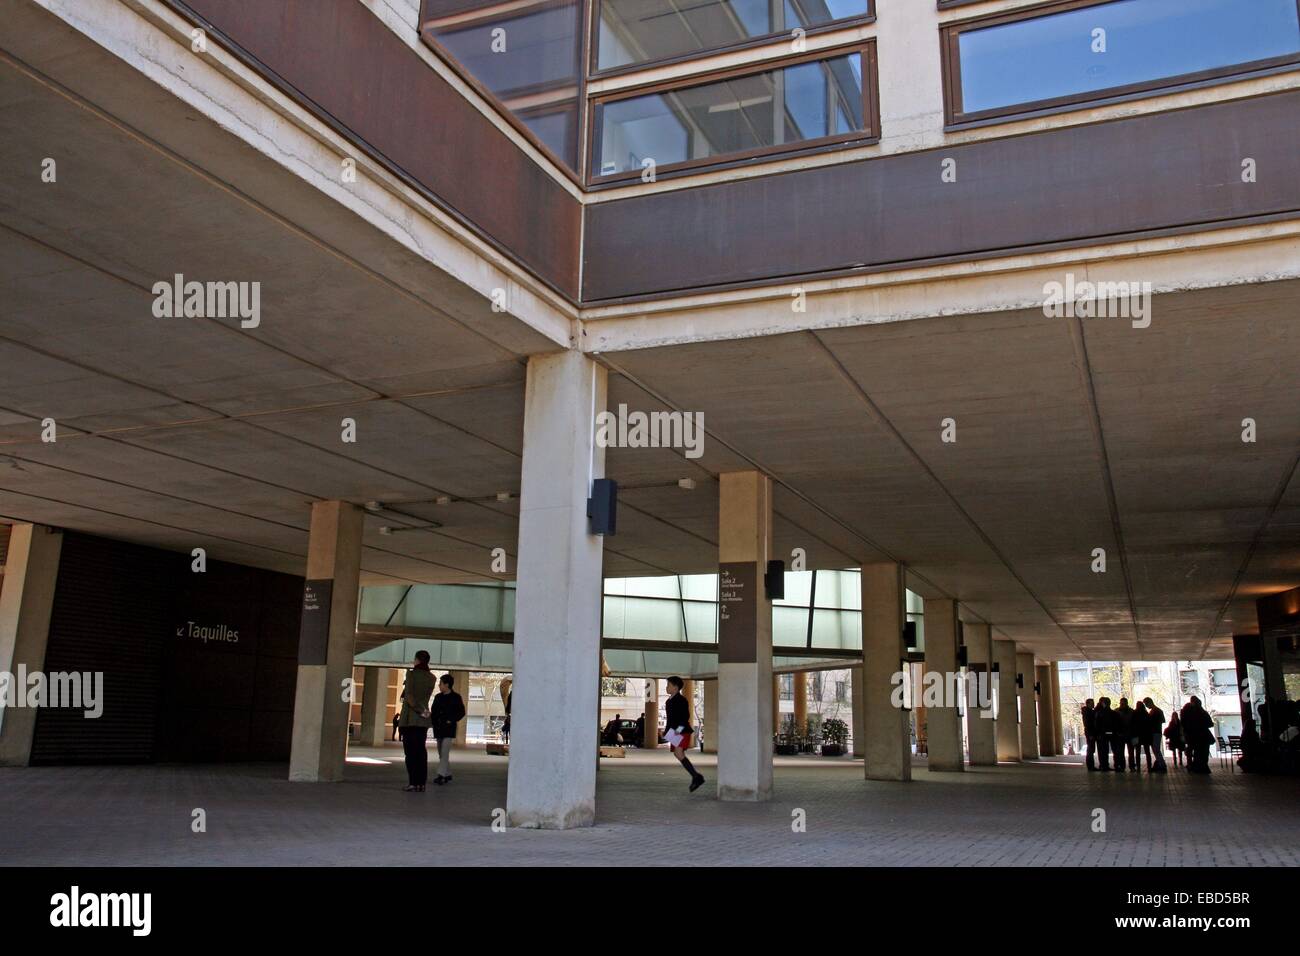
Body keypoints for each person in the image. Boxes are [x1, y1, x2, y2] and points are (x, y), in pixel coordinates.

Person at [399, 650, 435, 792]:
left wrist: (418, 710)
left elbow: (409, 696)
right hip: (423, 720)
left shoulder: (411, 674)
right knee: (421, 751)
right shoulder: (432, 678)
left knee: (410, 753)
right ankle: (421, 783)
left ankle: (413, 782)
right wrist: (423, 712)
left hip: (410, 718)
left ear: (418, 660)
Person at [663, 676, 705, 792]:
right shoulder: (668, 701)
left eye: (668, 685)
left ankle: (697, 777)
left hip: (682, 731)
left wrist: (677, 731)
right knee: (678, 754)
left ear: (676, 688)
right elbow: (670, 720)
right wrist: (667, 732)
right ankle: (696, 776)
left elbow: (685, 717)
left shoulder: (682, 700)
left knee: (678, 753)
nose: (666, 687)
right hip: (674, 731)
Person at [430, 673, 466, 785]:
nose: (439, 686)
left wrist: (452, 719)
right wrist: (432, 722)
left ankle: (441, 775)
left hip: (449, 729)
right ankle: (448, 774)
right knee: (441, 753)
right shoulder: (438, 697)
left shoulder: (456, 697)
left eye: (440, 683)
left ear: (447, 684)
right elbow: (434, 712)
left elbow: (461, 712)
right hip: (439, 729)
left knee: (444, 752)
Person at [1181, 696, 1214, 774]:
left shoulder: (1188, 712)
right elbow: (1210, 724)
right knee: (1203, 753)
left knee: (1197, 752)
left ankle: (1196, 767)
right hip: (1204, 736)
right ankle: (1202, 767)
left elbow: (1184, 724)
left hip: (1193, 736)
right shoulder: (1203, 712)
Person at [1143, 697, 1166, 772]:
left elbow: (1150, 722)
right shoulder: (1158, 710)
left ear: (1149, 702)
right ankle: (1160, 764)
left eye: (1146, 704)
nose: (1146, 706)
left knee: (1156, 749)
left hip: (1155, 732)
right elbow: (1162, 720)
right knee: (1156, 749)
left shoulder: (1154, 711)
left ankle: (1162, 765)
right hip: (1157, 732)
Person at [1113, 697, 1133, 772]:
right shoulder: (1131, 711)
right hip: (1123, 735)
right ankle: (1124, 766)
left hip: (1126, 734)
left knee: (1125, 752)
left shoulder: (1116, 711)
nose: (1122, 705)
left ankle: (1125, 766)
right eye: (1121, 704)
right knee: (1122, 752)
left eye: (1123, 704)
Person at [1093, 697, 1113, 771]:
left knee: (1102, 750)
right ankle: (1104, 765)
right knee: (1105, 750)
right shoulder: (1110, 712)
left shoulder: (1098, 712)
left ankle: (1103, 765)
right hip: (1105, 733)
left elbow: (1096, 724)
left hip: (1101, 734)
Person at [1132, 700, 1150, 771]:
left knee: (1137, 752)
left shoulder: (1134, 713)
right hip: (1145, 735)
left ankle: (1138, 767)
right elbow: (1149, 725)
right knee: (1147, 751)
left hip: (1136, 735)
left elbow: (1132, 724)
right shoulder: (1146, 713)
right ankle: (1149, 766)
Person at [1081, 699, 1097, 771]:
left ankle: (1091, 766)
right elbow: (1088, 724)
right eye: (1092, 703)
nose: (1093, 704)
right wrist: (1090, 734)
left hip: (1090, 732)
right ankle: (1091, 766)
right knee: (1090, 750)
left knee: (1091, 749)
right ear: (1088, 704)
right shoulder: (1088, 712)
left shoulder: (1087, 712)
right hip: (1090, 733)